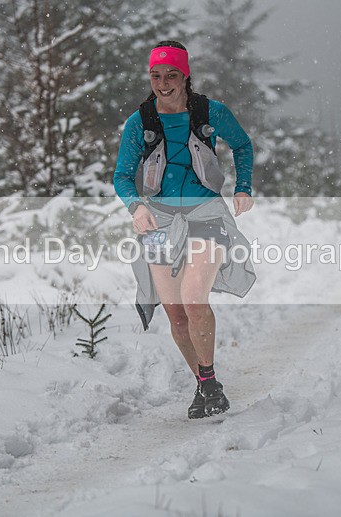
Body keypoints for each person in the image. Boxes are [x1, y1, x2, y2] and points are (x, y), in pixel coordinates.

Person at [113, 40, 256, 419]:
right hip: (159, 221)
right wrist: (135, 206)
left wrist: (243, 187)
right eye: (156, 75)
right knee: (176, 313)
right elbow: (122, 176)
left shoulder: (209, 112)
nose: (163, 83)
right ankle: (205, 383)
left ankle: (208, 380)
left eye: (171, 75)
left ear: (185, 75)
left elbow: (242, 145)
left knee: (194, 300)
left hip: (206, 214)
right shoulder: (140, 122)